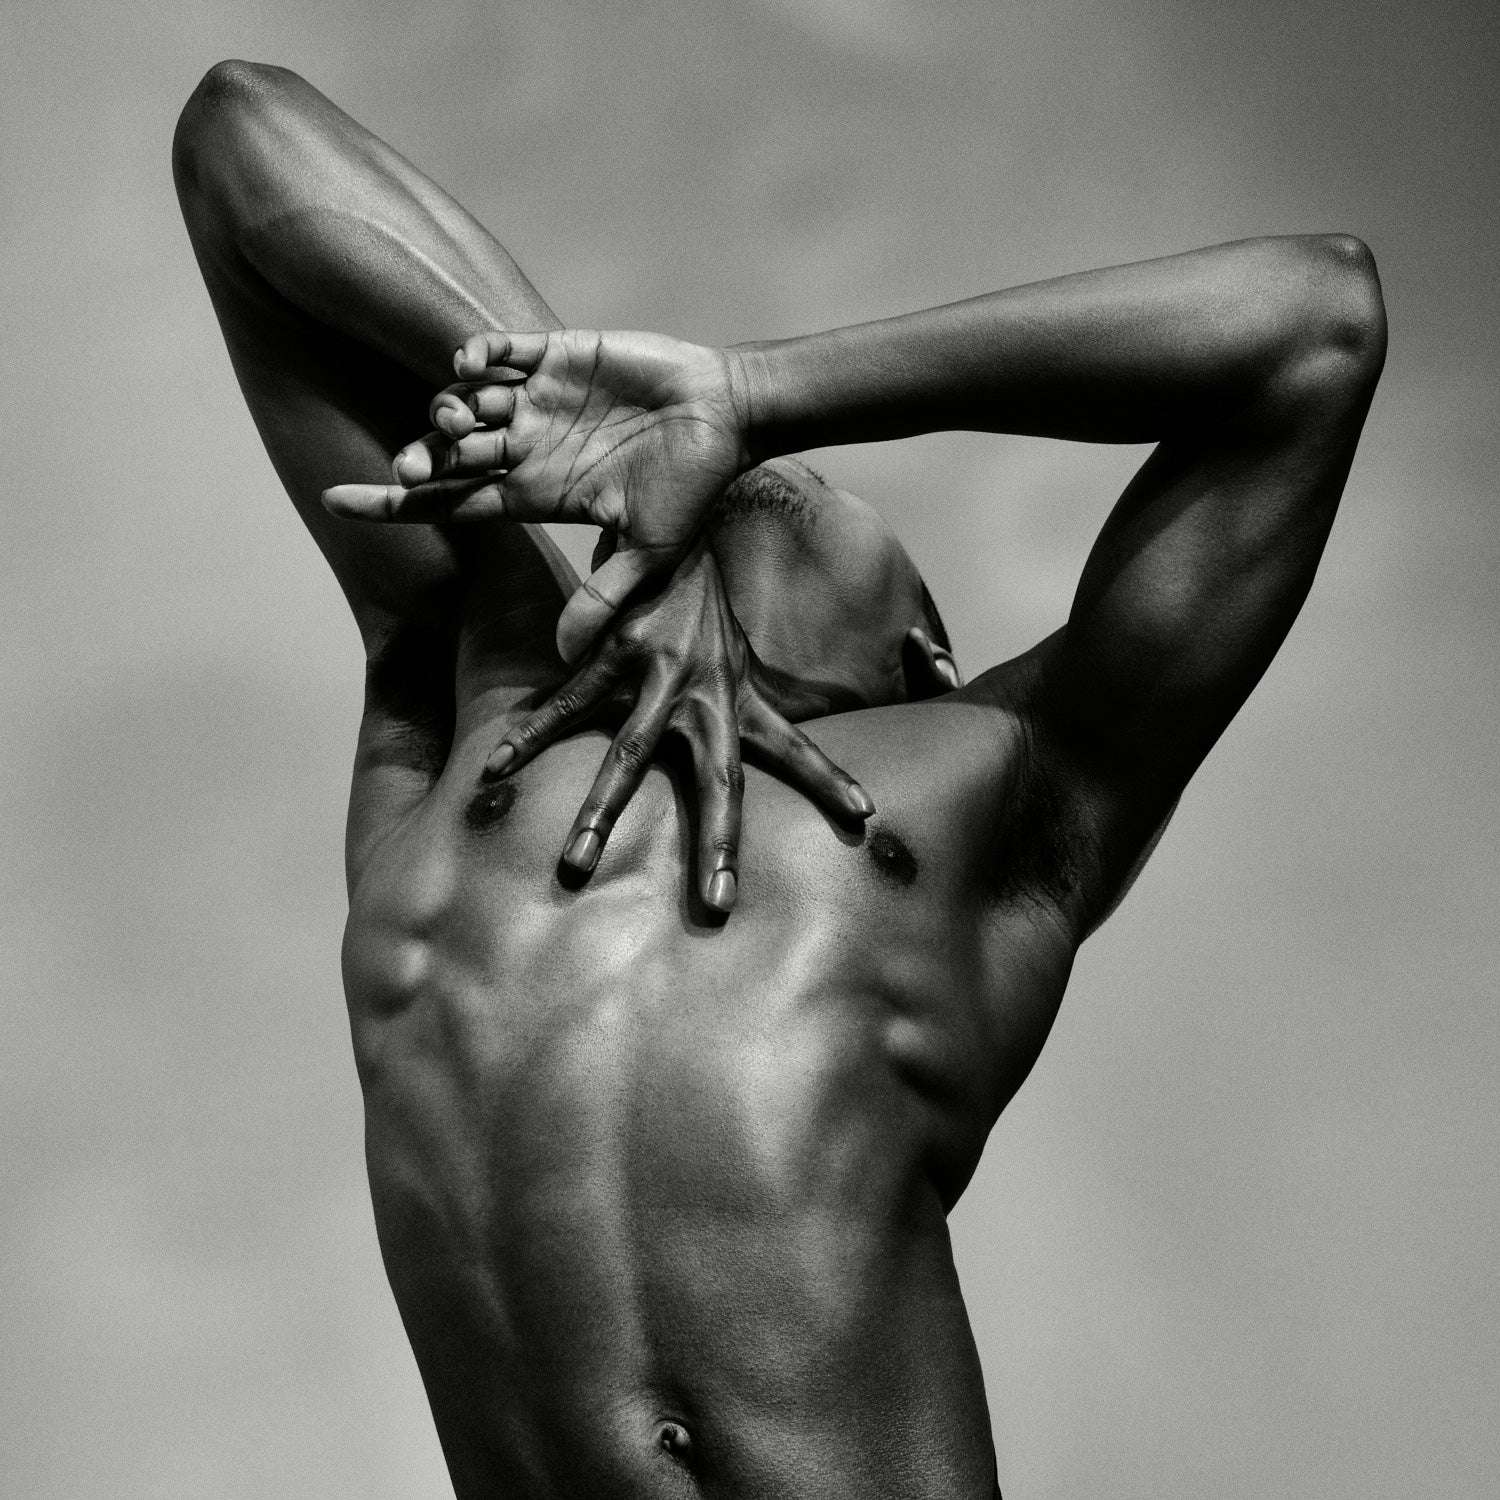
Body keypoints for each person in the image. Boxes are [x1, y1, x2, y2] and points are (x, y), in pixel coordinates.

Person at [172, 60, 1385, 1500]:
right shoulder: (474, 707)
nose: (764, 491)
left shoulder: (981, 795)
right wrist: (623, 436)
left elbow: (1317, 323)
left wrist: (760, 398)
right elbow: (237, 135)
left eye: (807, 496)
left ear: (922, 655)